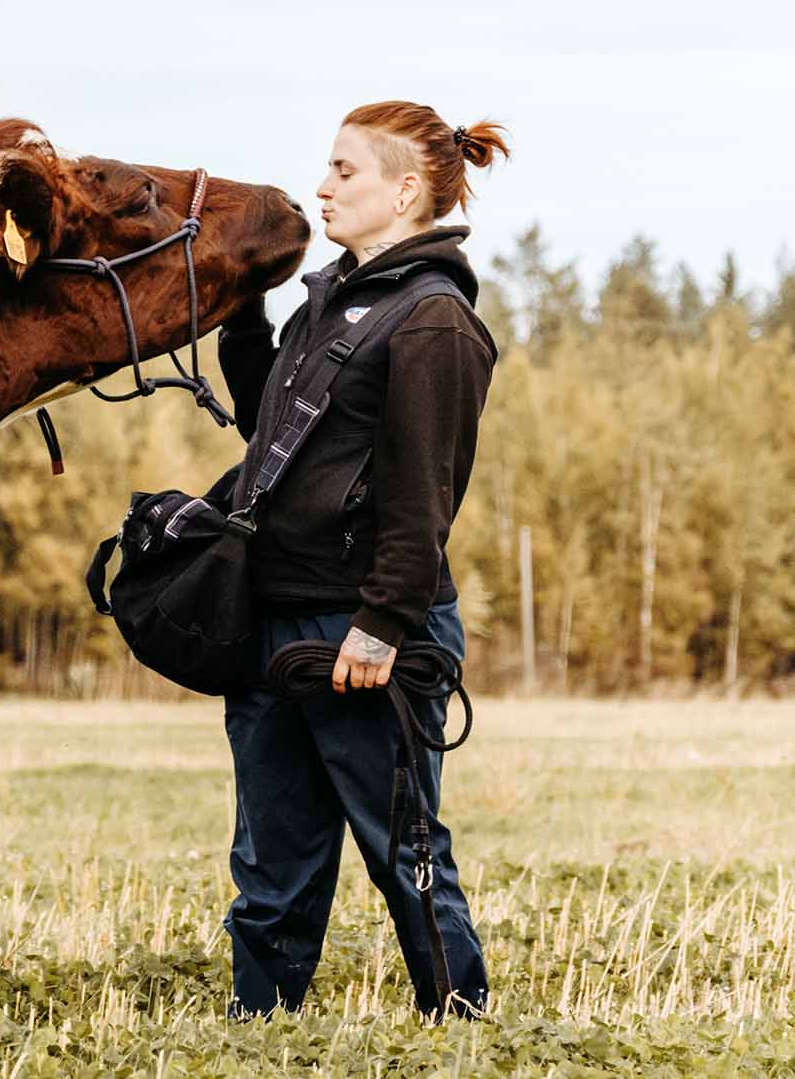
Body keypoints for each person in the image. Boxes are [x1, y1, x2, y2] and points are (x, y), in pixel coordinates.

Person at [213, 101, 510, 1020]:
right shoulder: (334, 302)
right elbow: (282, 434)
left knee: (404, 851)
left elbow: (426, 496)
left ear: (407, 191)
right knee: (272, 856)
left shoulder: (431, 322)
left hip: (364, 627)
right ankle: (260, 1028)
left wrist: (382, 625)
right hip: (278, 616)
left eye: (345, 171)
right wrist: (246, 314)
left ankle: (460, 1024)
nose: (322, 187)